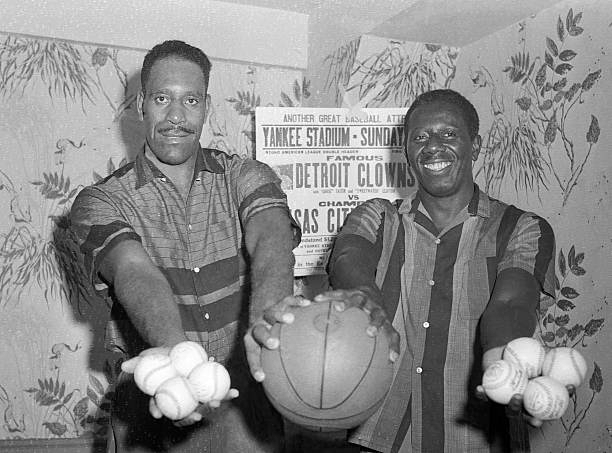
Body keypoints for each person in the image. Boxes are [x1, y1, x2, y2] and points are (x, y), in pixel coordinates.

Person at [69, 40, 304, 453]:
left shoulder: (244, 174)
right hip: (154, 397)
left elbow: (271, 235)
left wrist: (265, 325)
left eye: (190, 100)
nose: (176, 116)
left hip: (247, 407)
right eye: (162, 99)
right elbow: (134, 272)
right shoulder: (100, 201)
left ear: (206, 107)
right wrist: (179, 362)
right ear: (141, 104)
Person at [318, 89, 557, 452]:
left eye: (448, 134)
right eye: (420, 137)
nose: (433, 146)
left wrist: (502, 359)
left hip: (474, 441)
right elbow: (348, 258)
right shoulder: (377, 216)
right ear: (406, 153)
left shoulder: (521, 227)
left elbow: (512, 304)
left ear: (475, 146)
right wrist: (363, 298)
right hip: (377, 436)